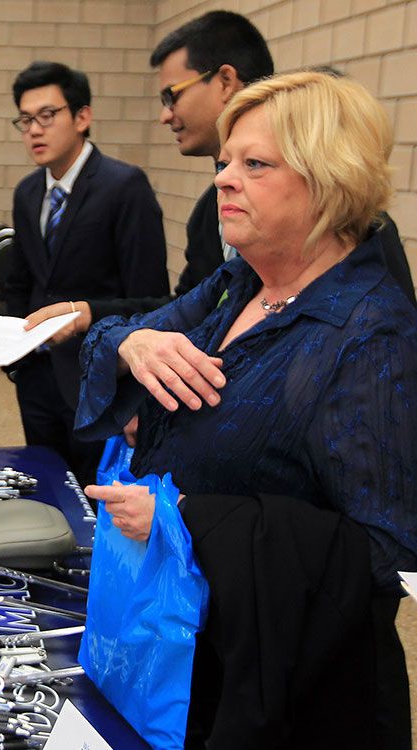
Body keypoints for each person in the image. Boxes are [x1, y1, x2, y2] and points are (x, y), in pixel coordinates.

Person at [78, 72, 416, 748]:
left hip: (290, 698)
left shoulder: (370, 336)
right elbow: (113, 339)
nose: (224, 180)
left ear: (330, 180)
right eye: (226, 161)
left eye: (254, 165)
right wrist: (134, 344)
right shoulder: (240, 283)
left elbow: (387, 555)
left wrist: (188, 521)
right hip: (190, 652)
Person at [24, 10, 413, 350]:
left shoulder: (361, 236)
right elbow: (193, 309)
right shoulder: (208, 214)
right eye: (227, 165)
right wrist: (93, 317)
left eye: (171, 95)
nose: (165, 115)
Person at [4, 60, 169, 485]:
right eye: (25, 120)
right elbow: (22, 282)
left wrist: (135, 397)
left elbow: (151, 298)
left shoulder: (124, 186)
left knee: (94, 496)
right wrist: (15, 358)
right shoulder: (27, 192)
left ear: (82, 117)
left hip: (99, 378)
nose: (34, 130)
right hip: (37, 377)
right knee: (45, 487)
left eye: (46, 116)